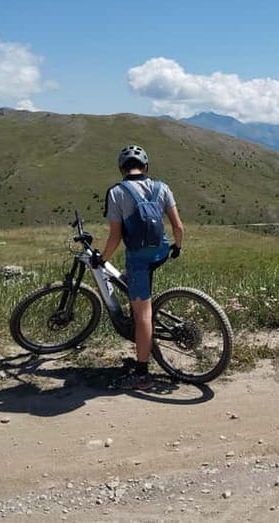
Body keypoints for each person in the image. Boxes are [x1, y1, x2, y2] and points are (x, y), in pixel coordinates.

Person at [94, 144, 184, 390]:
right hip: (161, 252)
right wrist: (178, 247)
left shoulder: (116, 192)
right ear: (146, 167)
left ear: (121, 169)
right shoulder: (162, 187)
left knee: (142, 313)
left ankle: (142, 372)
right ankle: (142, 312)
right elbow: (178, 227)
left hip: (138, 256)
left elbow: (115, 237)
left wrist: (102, 259)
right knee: (135, 286)